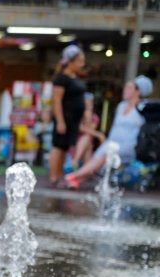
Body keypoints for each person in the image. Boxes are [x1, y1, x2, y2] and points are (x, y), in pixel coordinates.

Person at [65, 75, 153, 189]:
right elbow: (114, 129)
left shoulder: (143, 108)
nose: (125, 90)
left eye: (129, 88)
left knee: (105, 155)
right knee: (100, 158)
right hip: (112, 143)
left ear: (138, 91)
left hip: (129, 147)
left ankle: (73, 176)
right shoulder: (121, 106)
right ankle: (75, 181)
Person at [50, 44, 87, 186]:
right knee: (58, 146)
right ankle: (54, 176)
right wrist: (60, 121)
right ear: (71, 62)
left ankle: (59, 175)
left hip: (73, 119)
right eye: (79, 61)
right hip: (64, 117)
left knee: (64, 147)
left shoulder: (74, 78)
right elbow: (57, 101)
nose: (82, 64)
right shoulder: (61, 79)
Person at [69, 92, 105, 170]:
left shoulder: (95, 117)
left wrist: (88, 116)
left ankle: (77, 164)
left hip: (87, 145)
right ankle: (77, 163)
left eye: (90, 102)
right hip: (75, 145)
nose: (89, 104)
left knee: (88, 139)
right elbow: (81, 129)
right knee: (88, 139)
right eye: (87, 103)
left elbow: (89, 130)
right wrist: (98, 134)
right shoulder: (77, 115)